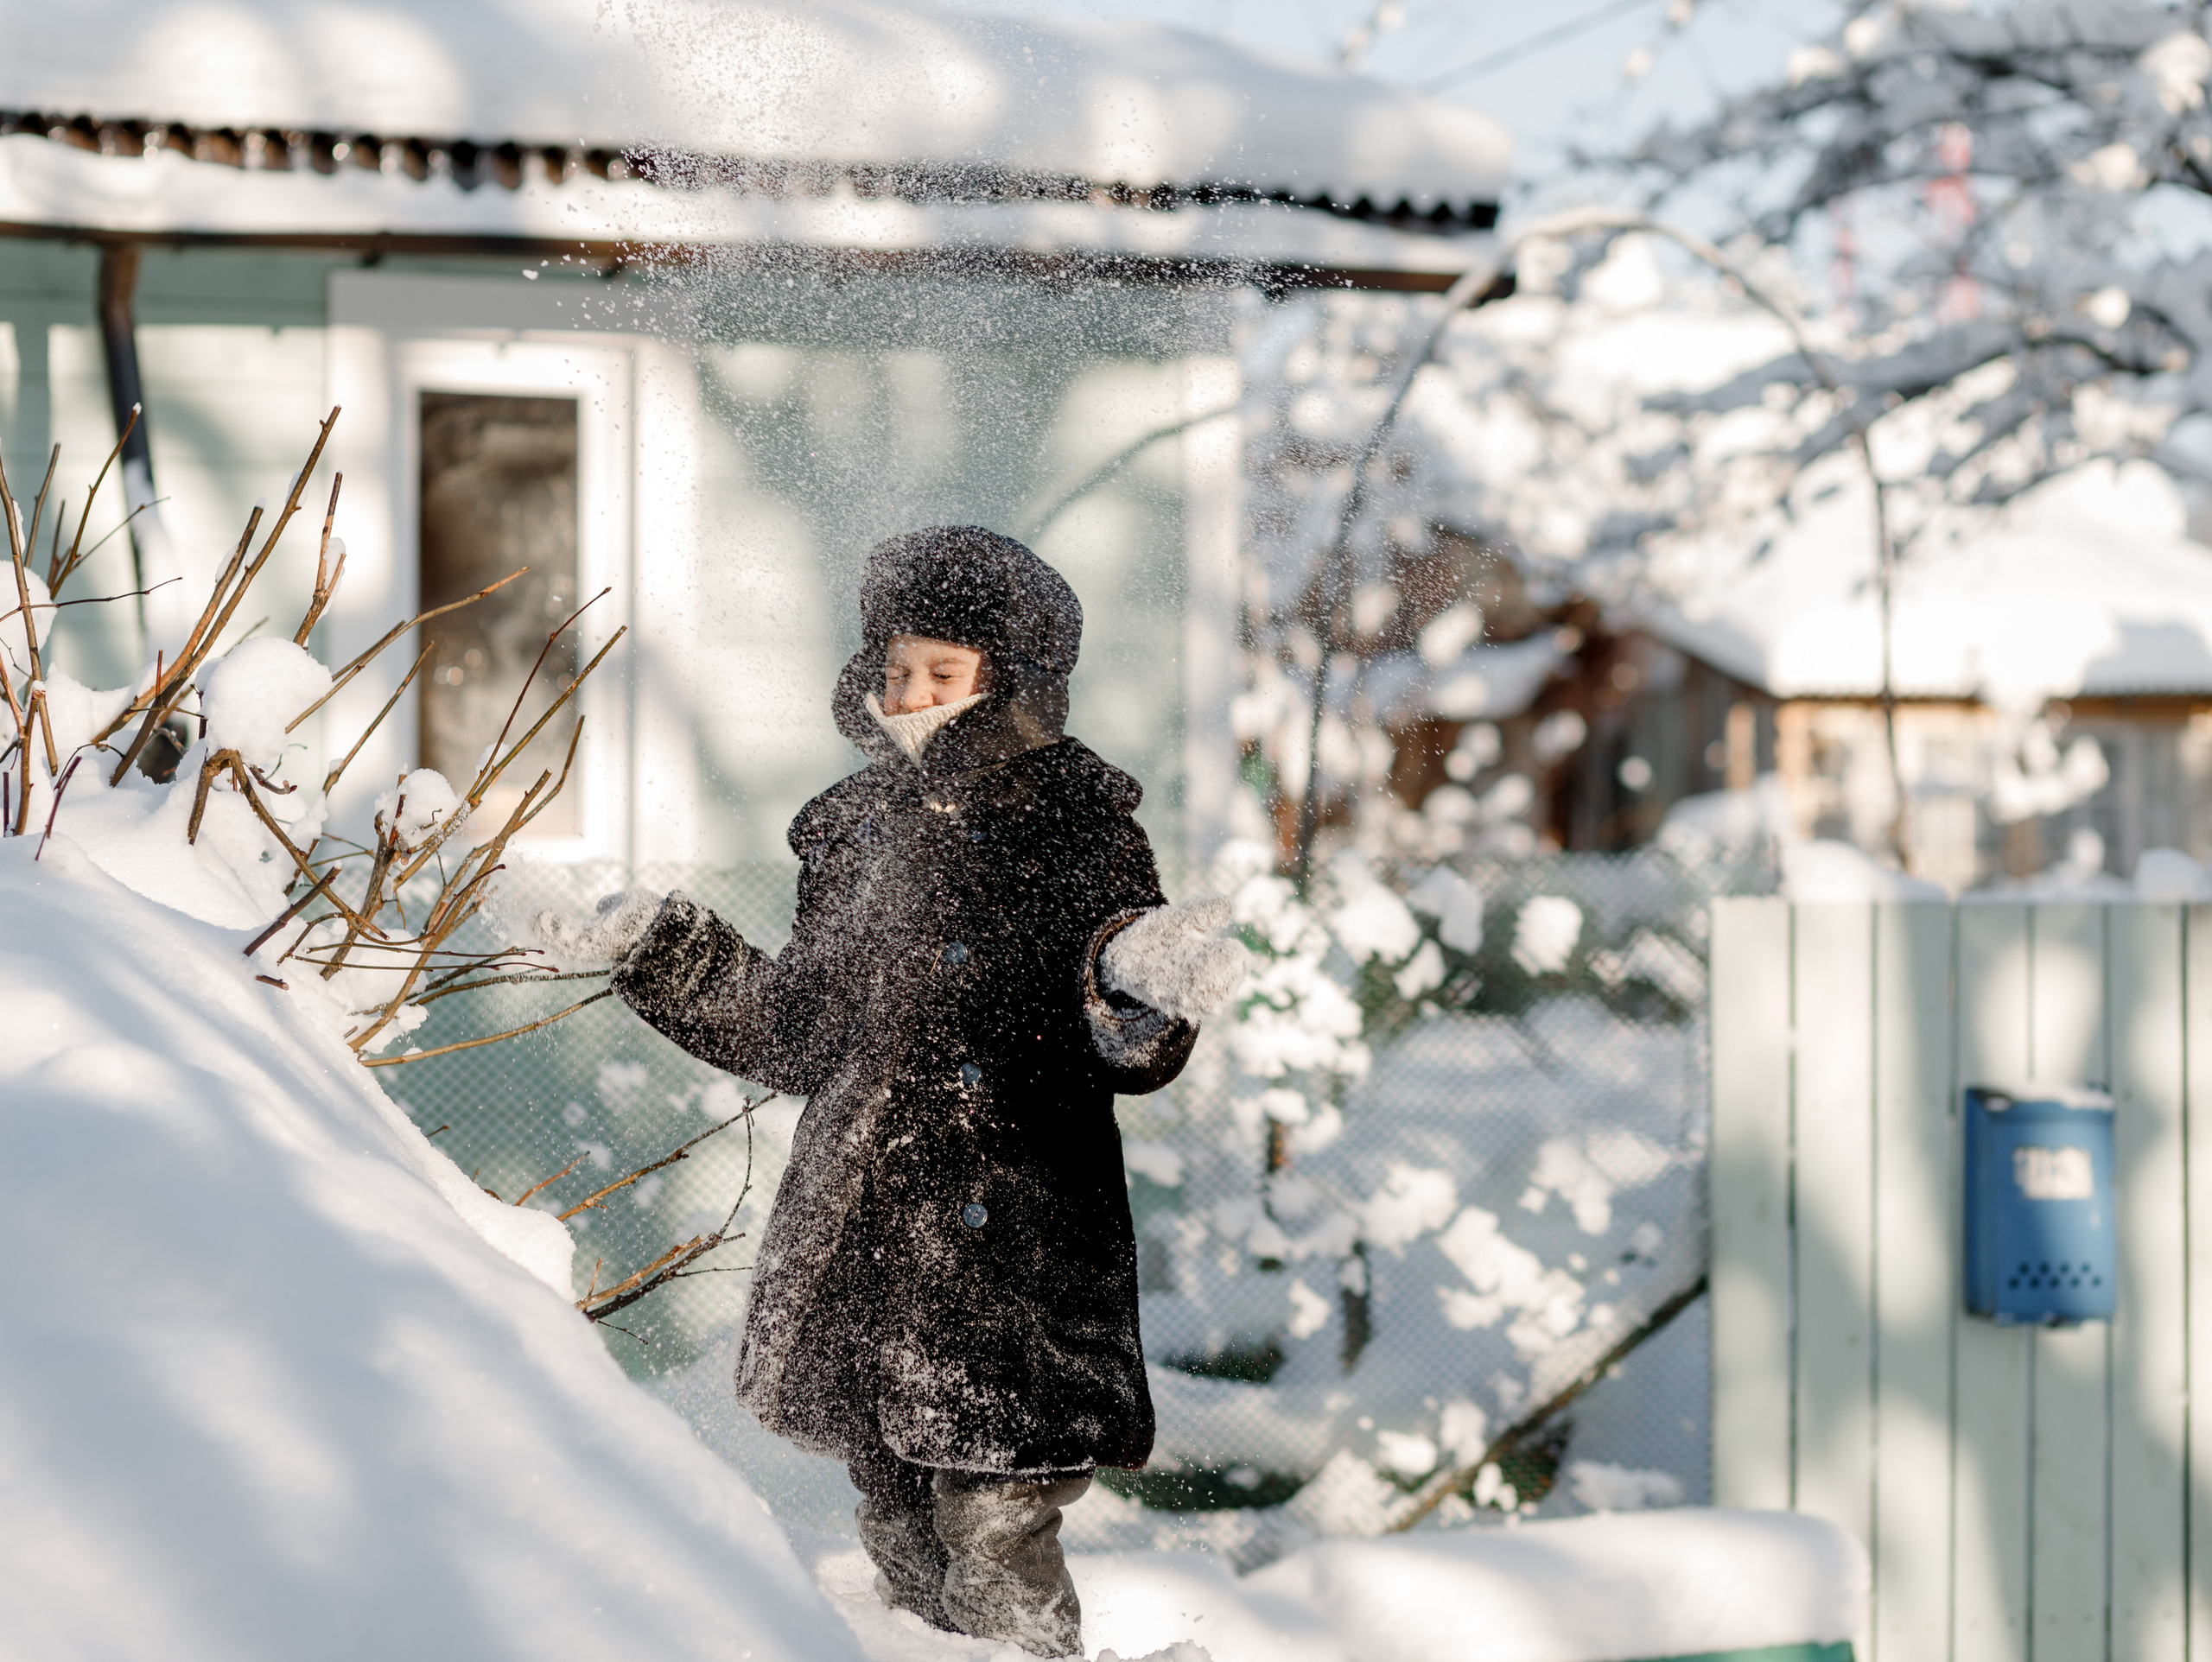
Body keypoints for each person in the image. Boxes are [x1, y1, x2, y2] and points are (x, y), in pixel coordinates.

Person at [534, 526, 1247, 1657]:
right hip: (870, 1245)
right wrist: (659, 948)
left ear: (1007, 680)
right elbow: (800, 1027)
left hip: (1014, 1246)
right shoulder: (856, 833)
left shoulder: (1076, 823)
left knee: (997, 1530)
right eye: (898, 667)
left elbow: (1116, 1007)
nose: (913, 693)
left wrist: (1140, 980)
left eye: (944, 672)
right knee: (902, 1535)